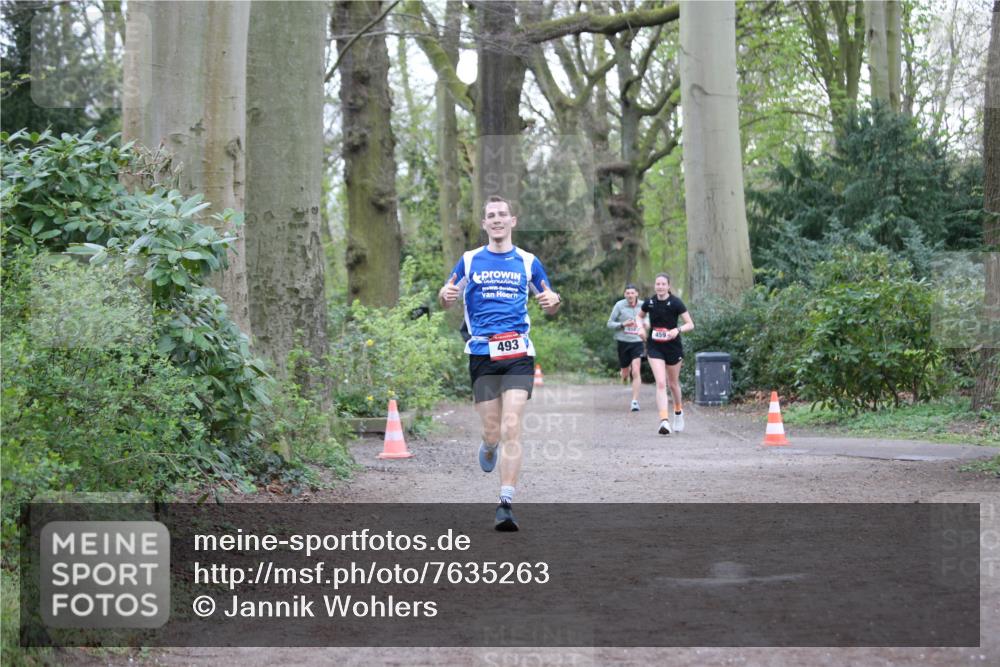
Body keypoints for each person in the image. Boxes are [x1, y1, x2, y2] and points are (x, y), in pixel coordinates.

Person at [438, 195, 561, 531]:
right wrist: (445, 296)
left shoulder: (527, 261)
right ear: (484, 223)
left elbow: (548, 300)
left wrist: (553, 301)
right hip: (481, 354)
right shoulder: (468, 260)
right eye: (490, 215)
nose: (496, 219)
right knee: (493, 431)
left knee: (511, 425)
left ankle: (505, 503)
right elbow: (447, 295)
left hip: (519, 353)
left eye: (502, 214)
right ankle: (488, 445)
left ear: (512, 221)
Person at [635, 273, 694, 435]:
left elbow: (690, 324)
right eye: (657, 284)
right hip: (655, 347)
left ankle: (678, 411)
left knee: (673, 384)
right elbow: (639, 316)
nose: (660, 286)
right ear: (655, 286)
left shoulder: (676, 303)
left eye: (663, 284)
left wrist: (677, 330)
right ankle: (664, 421)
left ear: (668, 286)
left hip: (673, 347)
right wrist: (640, 327)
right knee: (661, 383)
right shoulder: (650, 302)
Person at [607, 283, 645, 412]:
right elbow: (609, 323)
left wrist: (644, 326)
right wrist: (623, 324)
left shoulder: (643, 306)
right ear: (625, 295)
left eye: (632, 293)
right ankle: (624, 376)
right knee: (625, 372)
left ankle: (634, 401)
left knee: (636, 370)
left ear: (637, 294)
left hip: (637, 342)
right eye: (627, 293)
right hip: (623, 342)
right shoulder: (619, 305)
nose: (630, 295)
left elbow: (649, 321)